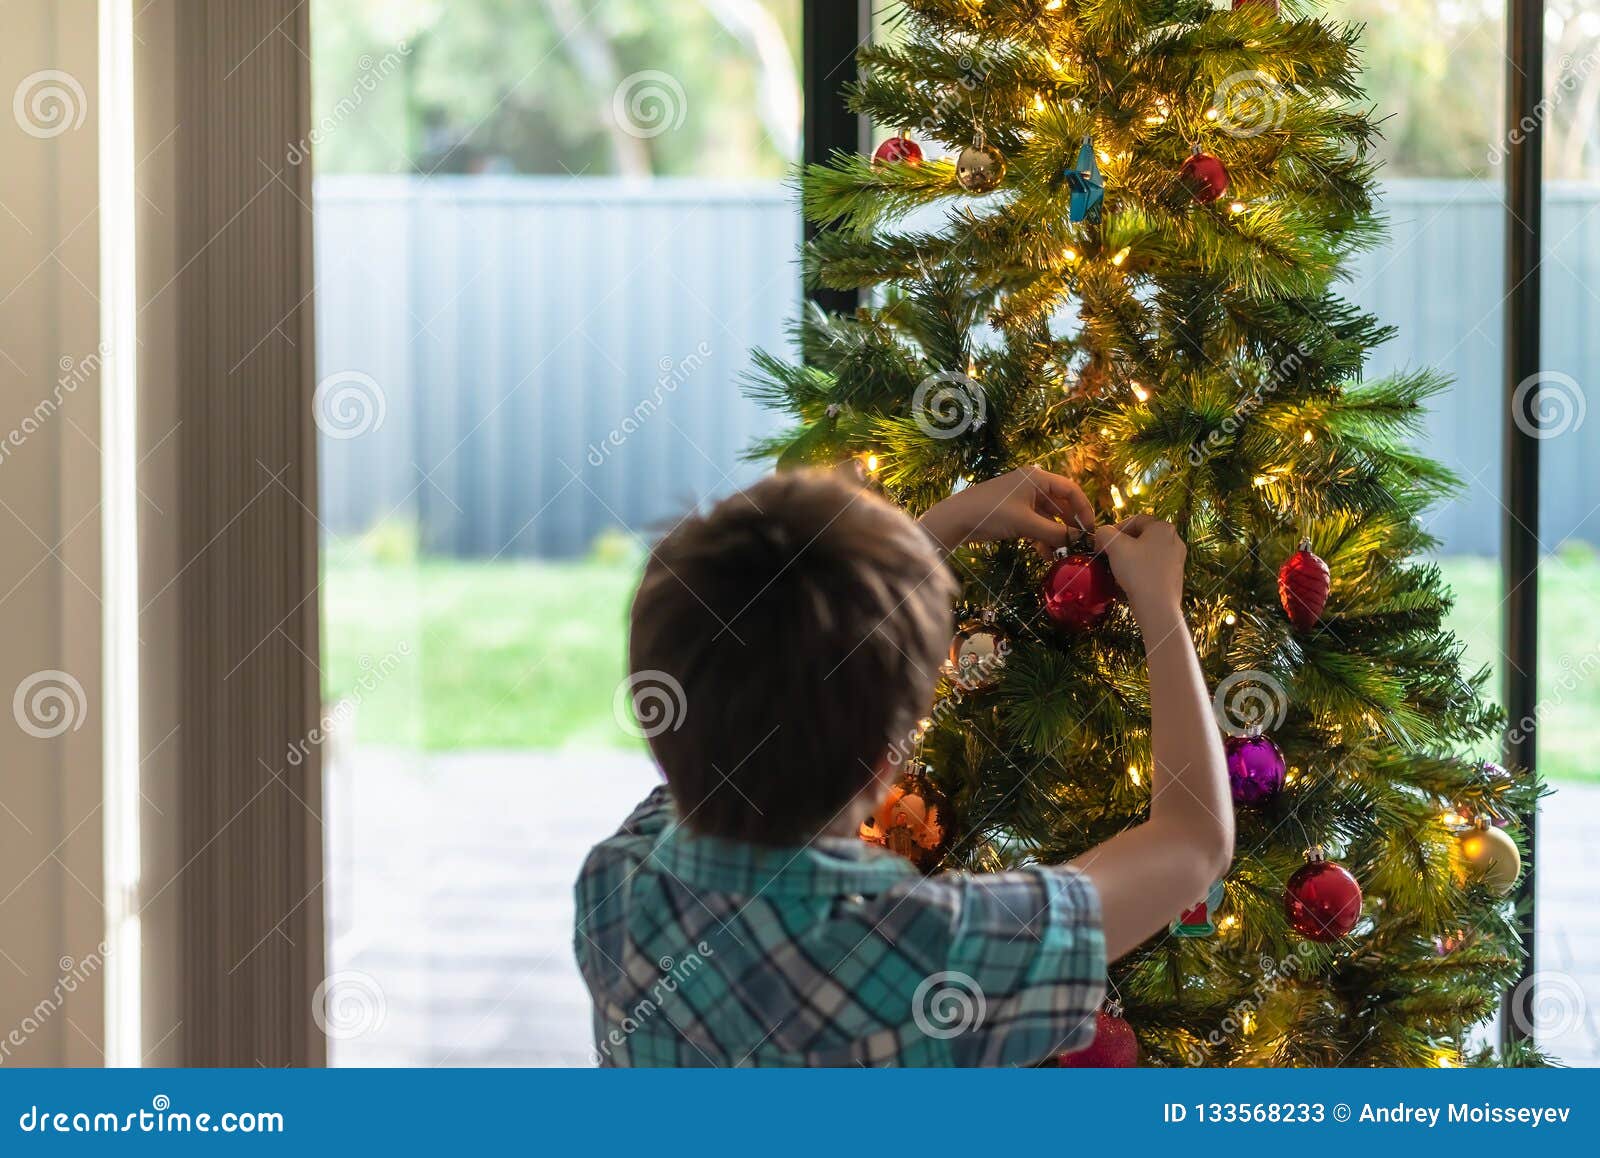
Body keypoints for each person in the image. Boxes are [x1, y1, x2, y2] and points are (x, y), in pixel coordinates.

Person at [575, 466, 1232, 1065]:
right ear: (888, 765)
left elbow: (769, 689)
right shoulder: (921, 952)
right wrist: (1161, 608)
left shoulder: (615, 887)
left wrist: (936, 533)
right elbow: (1192, 840)